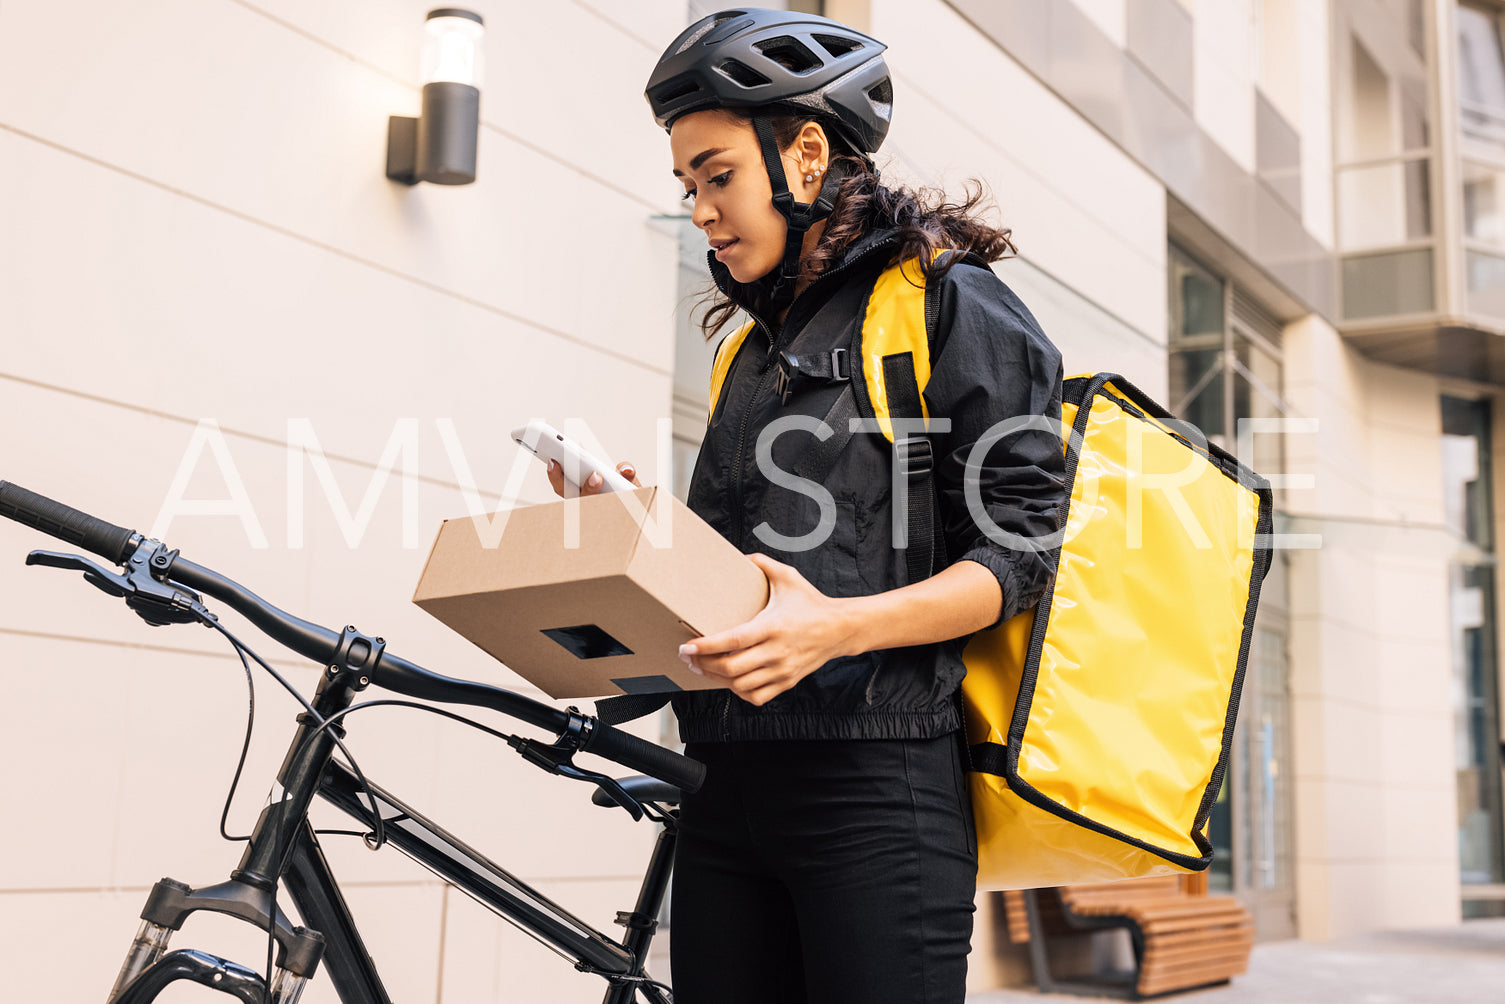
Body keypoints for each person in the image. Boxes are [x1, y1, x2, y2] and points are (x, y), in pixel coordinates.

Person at [550, 8, 1066, 1003]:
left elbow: (1021, 553)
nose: (700, 207)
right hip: (719, 780)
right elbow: (738, 569)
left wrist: (836, 629)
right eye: (686, 184)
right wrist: (629, 519)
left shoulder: (944, 301)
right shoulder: (747, 349)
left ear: (806, 152)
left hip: (873, 788)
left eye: (717, 174)